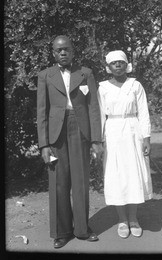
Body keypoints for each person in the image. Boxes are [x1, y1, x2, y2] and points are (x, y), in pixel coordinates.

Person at [37, 35, 103, 248]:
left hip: (80, 130)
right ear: (53, 53)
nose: (63, 53)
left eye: (66, 49)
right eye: (59, 50)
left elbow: (93, 107)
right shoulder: (45, 75)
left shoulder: (85, 73)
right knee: (59, 182)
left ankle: (83, 229)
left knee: (81, 181)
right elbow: (42, 112)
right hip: (56, 132)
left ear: (73, 51)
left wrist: (96, 140)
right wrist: (44, 145)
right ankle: (62, 231)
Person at [97, 50, 153, 239]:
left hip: (132, 130)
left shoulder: (135, 85)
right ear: (109, 67)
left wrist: (146, 138)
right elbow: (99, 116)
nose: (118, 65)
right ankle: (122, 220)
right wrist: (99, 141)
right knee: (117, 174)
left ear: (127, 64)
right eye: (114, 63)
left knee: (133, 174)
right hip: (112, 132)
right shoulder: (102, 88)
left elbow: (143, 112)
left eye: (121, 62)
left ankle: (133, 218)